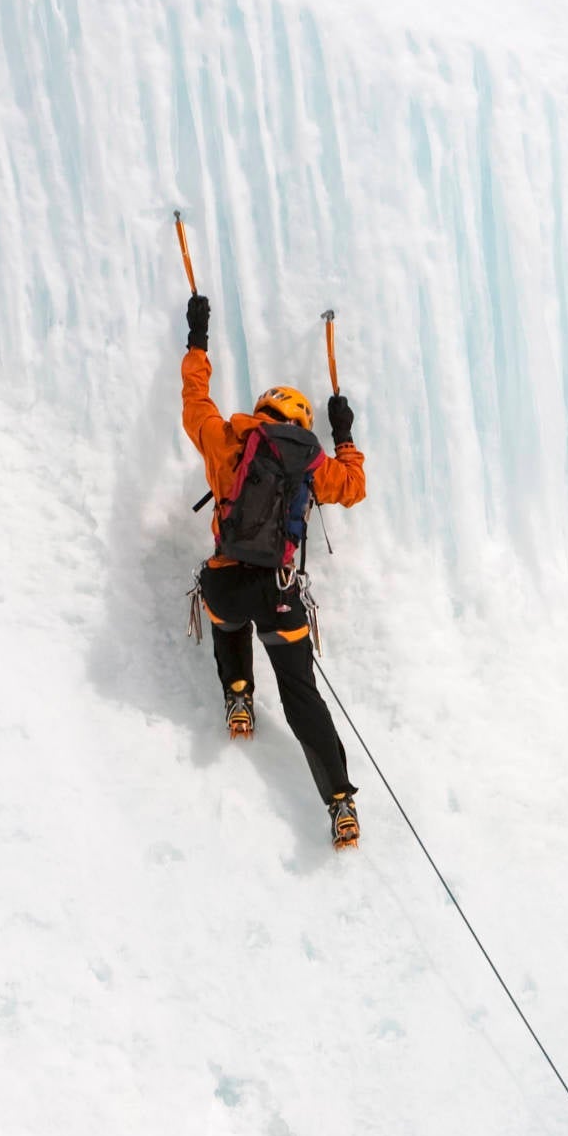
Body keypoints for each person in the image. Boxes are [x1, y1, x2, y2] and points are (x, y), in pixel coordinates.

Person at [181, 292, 368, 848]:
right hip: (280, 597)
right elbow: (354, 488)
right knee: (301, 693)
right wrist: (345, 436)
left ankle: (237, 693)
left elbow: (194, 400)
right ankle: (340, 803)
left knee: (224, 615)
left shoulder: (228, 440)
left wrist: (198, 339)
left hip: (227, 585)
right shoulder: (314, 463)